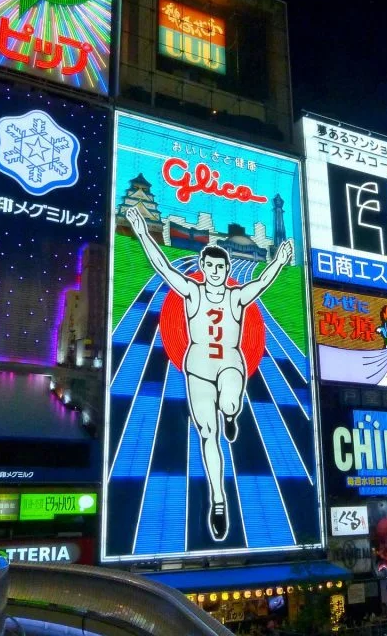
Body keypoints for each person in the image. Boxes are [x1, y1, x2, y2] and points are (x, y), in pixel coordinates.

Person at [125, 206, 293, 541]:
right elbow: (163, 268)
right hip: (199, 368)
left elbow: (261, 282)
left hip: (230, 363)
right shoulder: (191, 292)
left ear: (226, 269)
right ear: (203, 267)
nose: (215, 270)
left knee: (230, 403)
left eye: (220, 266)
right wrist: (143, 232)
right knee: (207, 433)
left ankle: (232, 414)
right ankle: (218, 500)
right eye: (210, 265)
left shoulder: (236, 296)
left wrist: (278, 260)